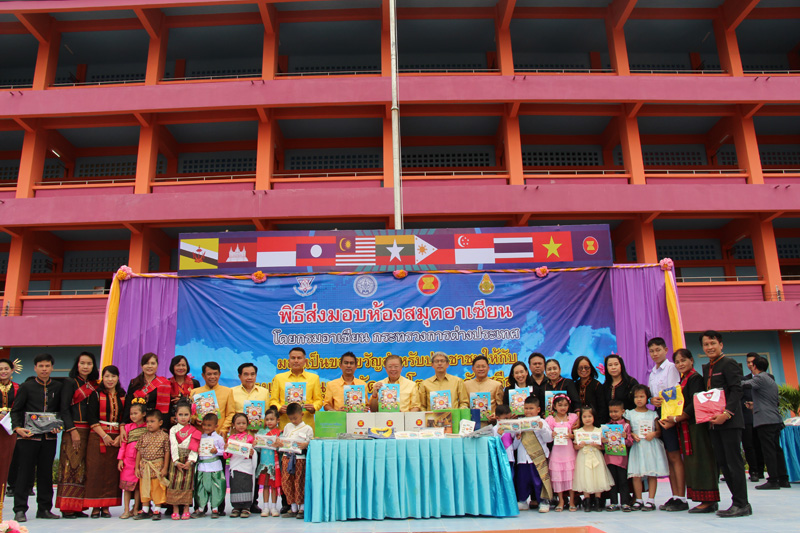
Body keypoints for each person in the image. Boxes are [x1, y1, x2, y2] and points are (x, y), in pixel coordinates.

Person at [658, 349, 720, 513]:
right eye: (677, 362)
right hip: (687, 426)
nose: (680, 364)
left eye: (683, 360)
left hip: (697, 426)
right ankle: (703, 499)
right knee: (692, 462)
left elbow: (695, 403)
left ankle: (709, 501)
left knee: (701, 460)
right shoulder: (684, 379)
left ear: (691, 360)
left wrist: (677, 418)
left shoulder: (695, 378)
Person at [700, 330, 751, 517]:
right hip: (714, 422)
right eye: (706, 344)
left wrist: (727, 414)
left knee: (733, 463)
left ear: (721, 345)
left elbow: (737, 391)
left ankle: (742, 503)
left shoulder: (728, 363)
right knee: (723, 463)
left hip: (730, 421)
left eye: (713, 343)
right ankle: (736, 501)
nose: (709, 347)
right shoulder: (707, 367)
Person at [11, 353, 63, 522]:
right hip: (28, 437)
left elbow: (61, 410)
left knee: (45, 473)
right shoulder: (27, 387)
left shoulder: (57, 387)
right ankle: (20, 509)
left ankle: (44, 508)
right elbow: (16, 410)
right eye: (41, 366)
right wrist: (18, 428)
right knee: (24, 473)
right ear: (35, 368)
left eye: (47, 366)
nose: (44, 369)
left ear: (52, 367)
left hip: (49, 438)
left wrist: (58, 425)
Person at [57, 351, 99, 518]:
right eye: (82, 363)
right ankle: (67, 507)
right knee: (70, 467)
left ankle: (79, 506)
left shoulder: (94, 385)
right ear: (77, 365)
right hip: (73, 431)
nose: (85, 366)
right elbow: (64, 408)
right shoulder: (69, 382)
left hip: (90, 431)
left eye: (89, 363)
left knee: (83, 469)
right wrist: (72, 430)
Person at [646, 337, 686, 512]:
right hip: (658, 414)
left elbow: (674, 393)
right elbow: (653, 395)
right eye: (651, 351)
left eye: (658, 350)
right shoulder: (652, 373)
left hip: (670, 414)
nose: (655, 354)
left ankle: (681, 497)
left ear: (666, 350)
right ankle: (675, 495)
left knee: (675, 455)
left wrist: (670, 417)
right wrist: (651, 400)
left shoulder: (671, 368)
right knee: (668, 456)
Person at [742, 356, 791, 490]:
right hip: (774, 418)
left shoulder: (760, 378)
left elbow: (744, 384)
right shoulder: (770, 379)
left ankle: (773, 479)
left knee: (768, 450)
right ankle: (783, 479)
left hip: (765, 420)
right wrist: (755, 405)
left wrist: (731, 380)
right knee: (776, 449)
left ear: (754, 366)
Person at [85, 365, 125, 518]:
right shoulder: (96, 394)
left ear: (118, 378)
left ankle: (107, 506)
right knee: (95, 471)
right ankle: (95, 507)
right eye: (107, 376)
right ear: (103, 378)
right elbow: (91, 417)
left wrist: (120, 436)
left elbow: (125, 417)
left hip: (116, 438)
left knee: (111, 472)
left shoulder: (122, 395)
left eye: (113, 376)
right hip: (98, 436)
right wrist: (104, 436)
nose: (110, 379)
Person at [232, 362, 270, 514]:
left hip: (256, 439)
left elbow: (267, 415)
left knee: (254, 471)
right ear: (240, 376)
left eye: (252, 374)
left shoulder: (264, 392)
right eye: (246, 374)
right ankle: (238, 503)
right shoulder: (232, 392)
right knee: (239, 473)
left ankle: (253, 502)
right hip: (239, 441)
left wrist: (260, 424)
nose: (249, 377)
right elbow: (230, 414)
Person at [625, 384, 668, 511]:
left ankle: (651, 500)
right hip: (637, 446)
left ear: (647, 398)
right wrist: (633, 435)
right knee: (636, 474)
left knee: (651, 473)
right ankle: (638, 499)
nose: (639, 399)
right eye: (636, 397)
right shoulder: (629, 414)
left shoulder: (653, 414)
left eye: (642, 396)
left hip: (650, 446)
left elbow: (659, 432)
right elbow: (627, 431)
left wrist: (653, 434)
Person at [510, 396, 553, 513]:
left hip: (538, 457)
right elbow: (514, 446)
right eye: (526, 408)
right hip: (523, 459)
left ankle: (543, 501)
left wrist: (541, 429)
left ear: (538, 409)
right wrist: (518, 437)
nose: (528, 411)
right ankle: (523, 501)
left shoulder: (542, 422)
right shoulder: (519, 423)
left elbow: (549, 439)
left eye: (531, 408)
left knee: (539, 481)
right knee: (522, 481)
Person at [270, 347, 323, 429]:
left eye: (299, 358)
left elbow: (318, 400)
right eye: (293, 358)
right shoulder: (279, 378)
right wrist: (279, 408)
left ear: (305, 361)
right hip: (285, 424)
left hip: (306, 424)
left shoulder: (314, 378)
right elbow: (273, 400)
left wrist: (314, 407)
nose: (296, 361)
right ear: (289, 361)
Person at [573, 405, 614, 512]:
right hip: (583, 456)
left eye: (590, 416)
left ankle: (598, 500)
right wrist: (580, 445)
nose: (587, 419)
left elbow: (602, 447)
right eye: (584, 417)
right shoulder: (578, 431)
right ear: (581, 418)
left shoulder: (599, 430)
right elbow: (575, 447)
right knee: (585, 476)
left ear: (594, 417)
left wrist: (597, 445)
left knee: (597, 476)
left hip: (596, 455)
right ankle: (586, 500)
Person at [166, 399, 201, 520]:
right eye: (180, 414)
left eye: (186, 414)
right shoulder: (173, 430)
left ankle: (186, 508)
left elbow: (194, 447)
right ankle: (175, 509)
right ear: (176, 415)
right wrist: (176, 461)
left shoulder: (195, 430)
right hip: (176, 460)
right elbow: (173, 445)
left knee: (187, 484)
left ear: (190, 415)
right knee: (175, 483)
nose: (183, 417)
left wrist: (190, 461)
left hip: (188, 461)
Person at [278, 402, 314, 519]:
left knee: (299, 482)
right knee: (287, 482)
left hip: (299, 459)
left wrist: (306, 445)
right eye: (291, 418)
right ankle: (293, 507)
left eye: (295, 418)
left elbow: (311, 443)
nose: (293, 421)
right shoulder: (287, 427)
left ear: (302, 414)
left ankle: (302, 508)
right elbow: (284, 440)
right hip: (287, 457)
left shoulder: (307, 428)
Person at [134, 410, 170, 520]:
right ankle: (145, 509)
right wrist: (136, 467)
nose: (149, 424)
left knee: (157, 488)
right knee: (145, 488)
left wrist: (165, 468)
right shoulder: (143, 436)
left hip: (157, 466)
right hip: (145, 467)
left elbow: (167, 452)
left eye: (152, 421)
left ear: (160, 423)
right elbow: (139, 452)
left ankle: (157, 509)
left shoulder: (164, 436)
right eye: (148, 422)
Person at [545, 394, 578, 512]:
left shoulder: (573, 418)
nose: (563, 408)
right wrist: (552, 434)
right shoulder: (550, 420)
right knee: (558, 476)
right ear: (554, 406)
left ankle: (572, 501)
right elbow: (547, 436)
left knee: (571, 476)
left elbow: (578, 433)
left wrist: (572, 435)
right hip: (557, 451)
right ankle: (561, 501)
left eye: (565, 405)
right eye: (560, 405)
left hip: (569, 450)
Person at [117, 398, 147, 519]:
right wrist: (120, 459)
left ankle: (135, 509)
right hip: (128, 460)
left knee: (138, 486)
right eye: (131, 414)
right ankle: (125, 510)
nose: (133, 416)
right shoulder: (128, 427)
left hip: (142, 459)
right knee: (127, 486)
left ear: (143, 414)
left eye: (136, 413)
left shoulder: (147, 427)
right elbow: (123, 444)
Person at [193, 413, 226, 519]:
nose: (206, 427)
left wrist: (217, 451)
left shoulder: (219, 438)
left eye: (209, 425)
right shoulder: (200, 437)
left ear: (216, 426)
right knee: (201, 487)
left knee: (215, 487)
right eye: (204, 425)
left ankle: (215, 508)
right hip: (202, 466)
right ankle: (201, 508)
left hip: (215, 466)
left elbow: (224, 451)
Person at [122, 353, 171, 423]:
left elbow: (166, 408)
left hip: (155, 423)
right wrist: (123, 423)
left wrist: (164, 426)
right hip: (137, 423)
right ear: (141, 366)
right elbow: (128, 405)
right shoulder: (134, 383)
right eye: (146, 363)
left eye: (153, 363)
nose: (150, 366)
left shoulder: (164, 383)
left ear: (157, 365)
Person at [192, 361, 236, 439]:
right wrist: (195, 419)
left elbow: (231, 413)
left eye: (215, 374)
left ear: (219, 374)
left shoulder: (227, 391)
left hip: (219, 435)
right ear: (203, 375)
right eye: (209, 374)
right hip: (199, 435)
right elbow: (190, 414)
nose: (212, 377)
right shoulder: (194, 392)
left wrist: (224, 429)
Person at [603, 399, 633, 512]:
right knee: (612, 481)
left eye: (616, 411)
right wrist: (603, 441)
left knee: (623, 481)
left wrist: (626, 437)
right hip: (609, 458)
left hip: (622, 460)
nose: (613, 414)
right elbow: (602, 445)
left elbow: (630, 443)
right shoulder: (607, 426)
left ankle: (625, 502)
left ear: (622, 412)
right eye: (611, 412)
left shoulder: (626, 426)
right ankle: (613, 502)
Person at [226, 412, 258, 518]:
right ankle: (236, 507)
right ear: (233, 425)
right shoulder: (231, 438)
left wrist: (252, 452)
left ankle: (246, 507)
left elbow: (253, 452)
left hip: (246, 465)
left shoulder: (250, 438)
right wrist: (227, 448)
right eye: (238, 423)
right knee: (235, 485)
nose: (241, 425)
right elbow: (227, 455)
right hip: (235, 465)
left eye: (243, 423)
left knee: (246, 484)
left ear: (247, 424)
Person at [0, 358, 20, 517]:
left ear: (12, 370)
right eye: (0, 369)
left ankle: (1, 499)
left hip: (10, 429)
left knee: (6, 462)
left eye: (6, 368)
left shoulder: (18, 388)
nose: (3, 372)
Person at [742, 352, 765, 482]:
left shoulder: (767, 378)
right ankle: (754, 471)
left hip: (762, 416)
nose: (750, 364)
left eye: (752, 362)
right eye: (748, 362)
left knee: (760, 444)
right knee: (749, 445)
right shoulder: (744, 379)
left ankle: (761, 470)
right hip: (748, 416)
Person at [256, 408, 282, 517]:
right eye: (267, 419)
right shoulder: (261, 433)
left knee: (274, 486)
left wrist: (279, 445)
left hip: (274, 464)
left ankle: (274, 507)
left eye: (272, 419)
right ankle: (265, 507)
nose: (269, 422)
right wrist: (255, 444)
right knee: (265, 486)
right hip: (264, 463)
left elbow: (281, 449)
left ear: (277, 420)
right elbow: (258, 449)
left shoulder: (280, 434)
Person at [464, 355, 503, 422]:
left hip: (490, 423)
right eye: (478, 367)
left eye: (483, 366)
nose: (481, 369)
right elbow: (464, 404)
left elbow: (501, 406)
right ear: (473, 369)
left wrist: (495, 414)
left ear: (488, 368)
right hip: (471, 423)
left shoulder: (497, 385)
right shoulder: (466, 385)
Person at [571, 356, 607, 424]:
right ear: (576, 369)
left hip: (595, 424)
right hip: (577, 423)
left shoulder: (597, 385)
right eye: (580, 368)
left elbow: (602, 408)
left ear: (591, 368)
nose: (583, 370)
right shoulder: (574, 386)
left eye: (586, 367)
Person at [168, 355, 200, 426]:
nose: (181, 368)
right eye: (178, 365)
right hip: (172, 422)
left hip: (190, 422)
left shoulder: (195, 383)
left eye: (183, 365)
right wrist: (169, 418)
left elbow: (197, 403)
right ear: (173, 367)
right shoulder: (167, 383)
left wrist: (183, 400)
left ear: (187, 367)